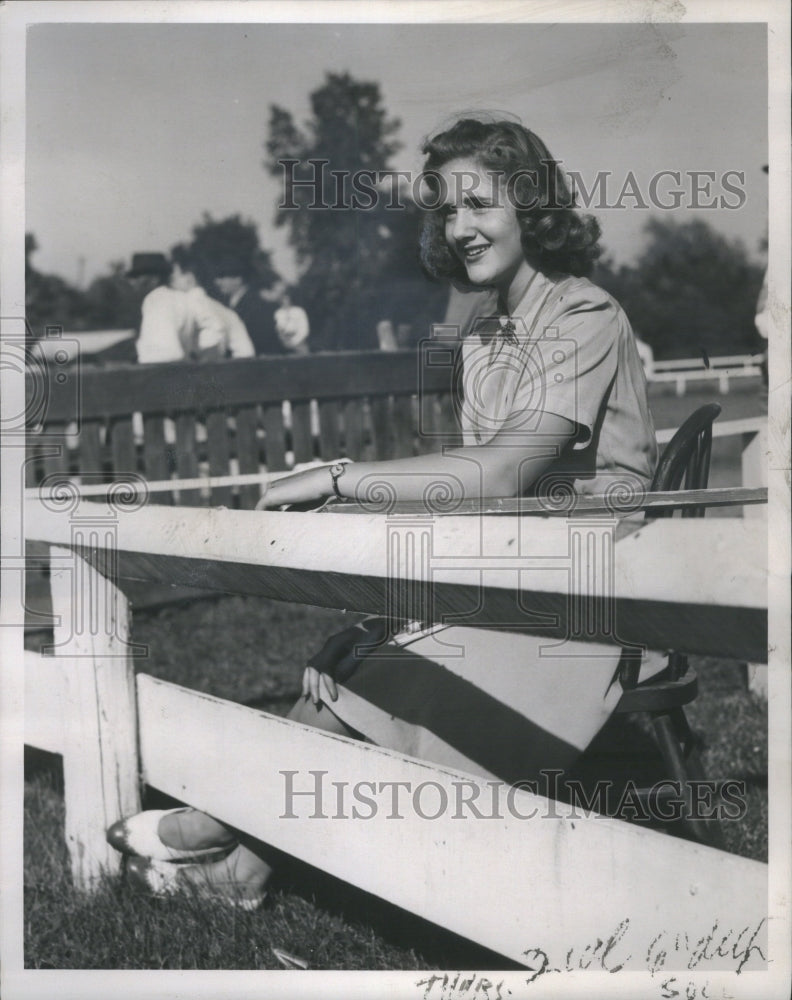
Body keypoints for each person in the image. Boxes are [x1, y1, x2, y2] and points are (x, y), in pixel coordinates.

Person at [108, 117, 661, 908]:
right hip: (517, 576)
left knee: (406, 663)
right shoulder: (486, 333)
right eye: (444, 211)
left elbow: (504, 470)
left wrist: (342, 478)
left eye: (477, 203)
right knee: (362, 647)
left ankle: (213, 828)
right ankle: (243, 868)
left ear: (531, 204)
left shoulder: (587, 316)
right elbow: (480, 499)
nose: (459, 227)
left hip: (596, 599)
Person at [169, 247, 255, 360]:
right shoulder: (223, 310)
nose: (170, 281)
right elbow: (246, 351)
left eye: (174, 277)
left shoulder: (190, 302)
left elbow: (214, 333)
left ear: (189, 278)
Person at [127, 252, 196, 364]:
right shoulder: (181, 297)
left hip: (163, 372)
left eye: (138, 276)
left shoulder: (155, 300)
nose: (133, 282)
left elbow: (163, 353)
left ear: (154, 278)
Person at [214, 264, 283, 356]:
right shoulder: (227, 304)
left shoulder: (257, 304)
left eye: (222, 277)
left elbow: (263, 339)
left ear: (238, 280)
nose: (217, 282)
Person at [274, 290, 310, 355]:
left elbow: (304, 330)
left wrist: (294, 342)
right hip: (284, 345)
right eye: (282, 299)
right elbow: (279, 329)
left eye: (286, 299)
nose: (284, 301)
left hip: (299, 343)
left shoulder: (299, 311)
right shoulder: (278, 313)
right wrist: (285, 341)